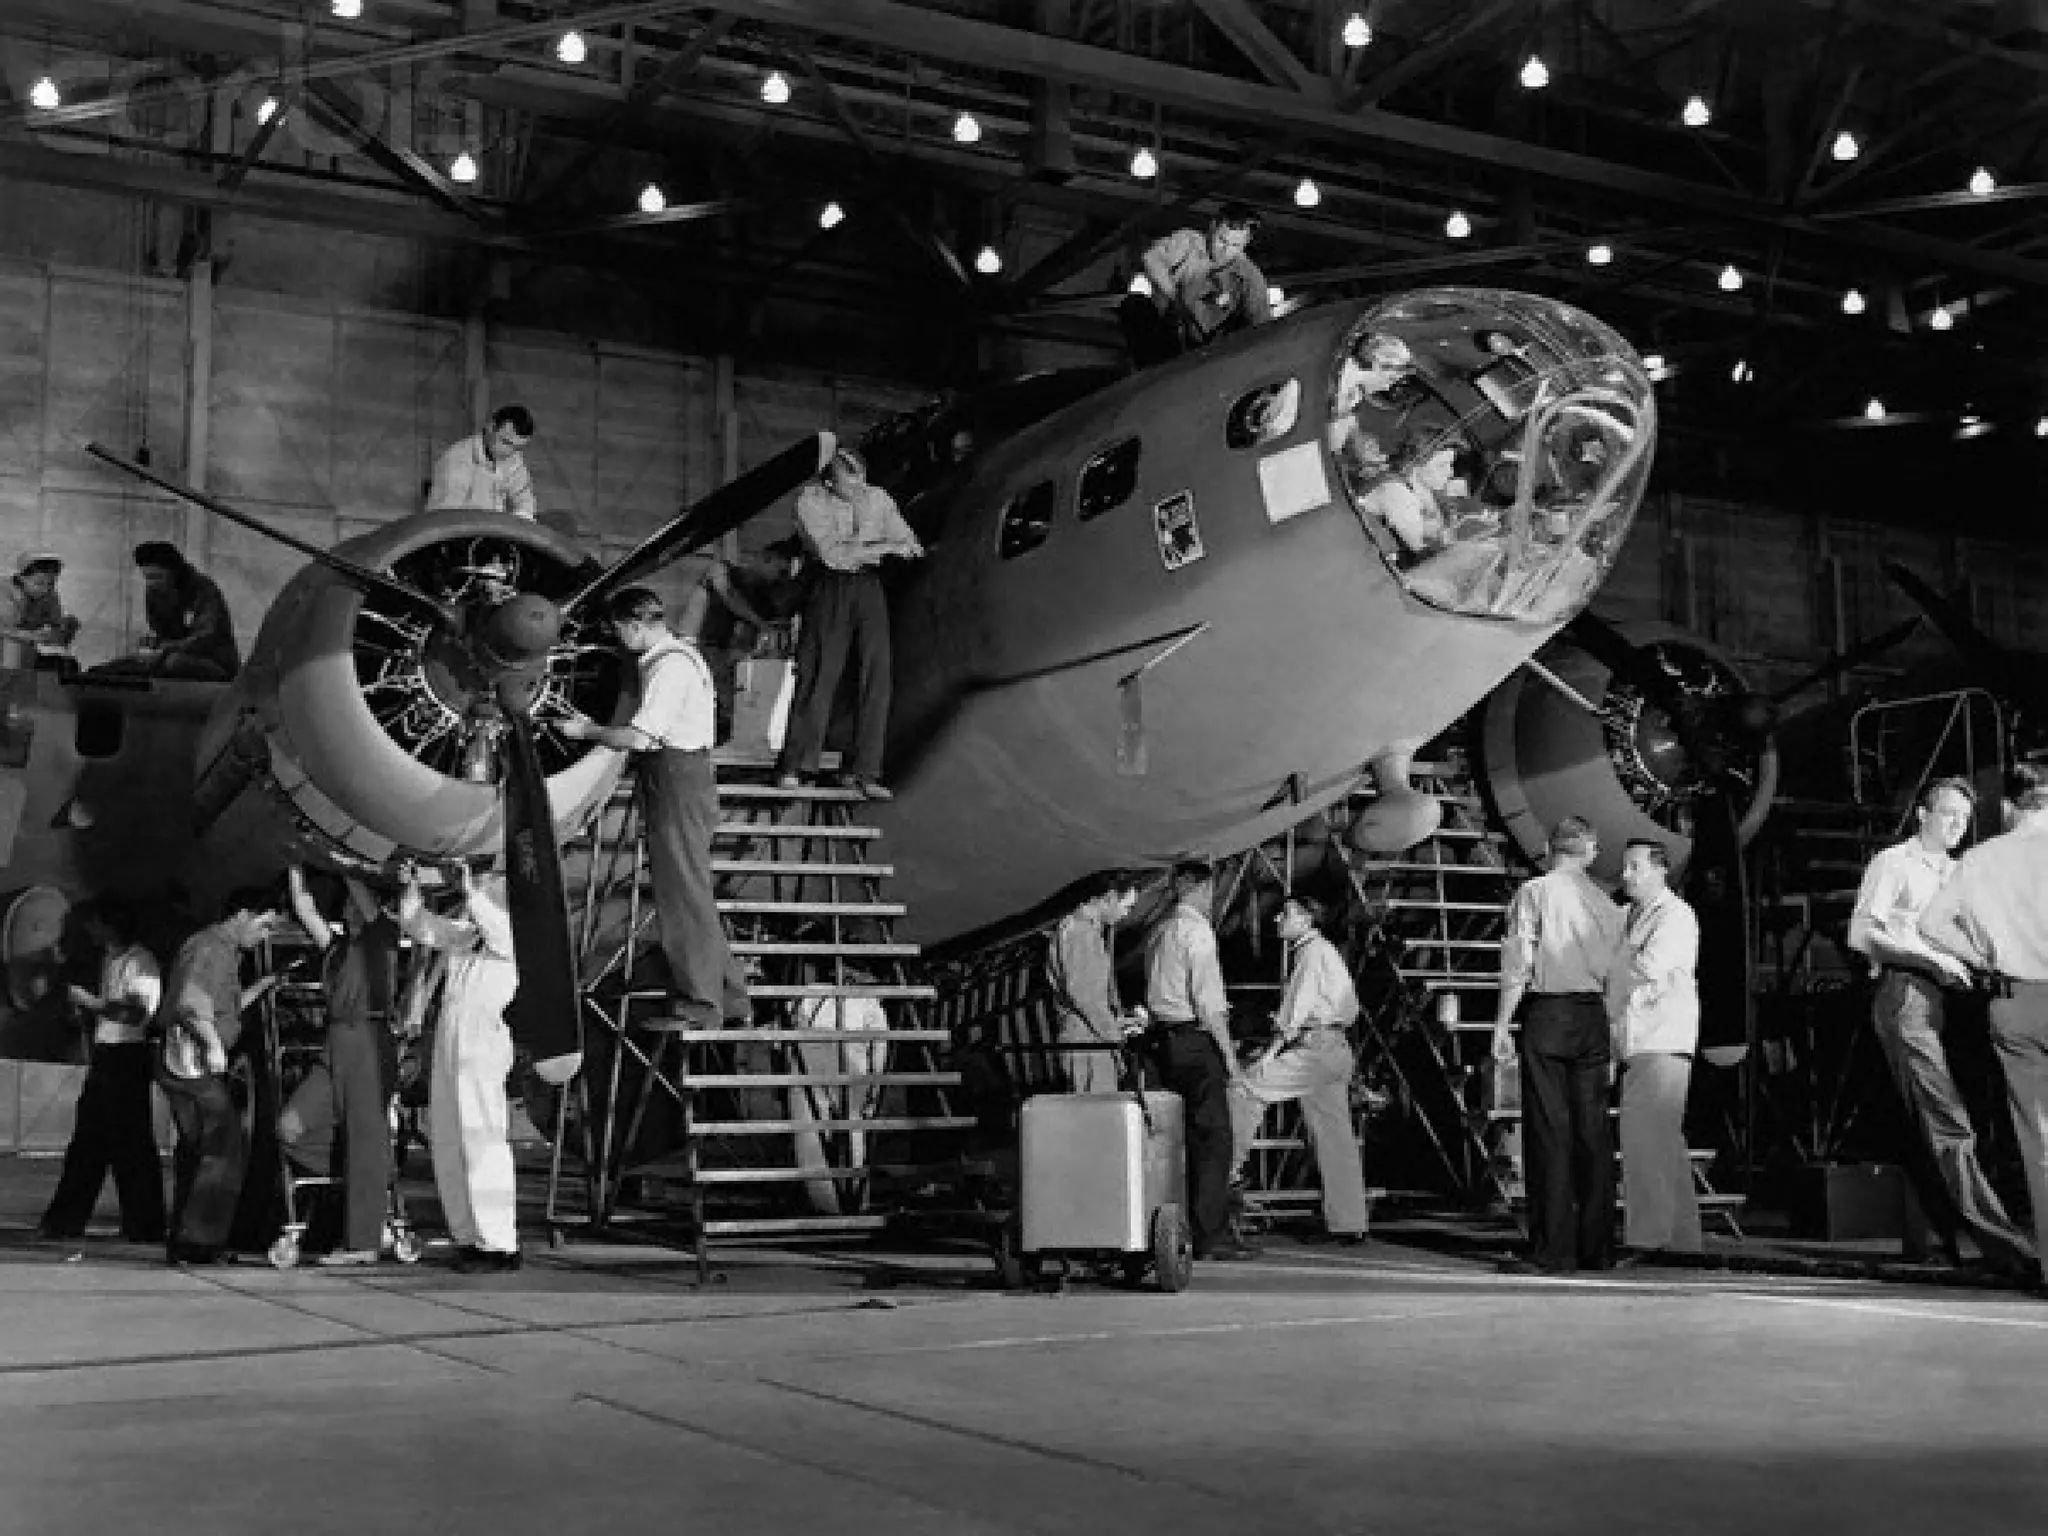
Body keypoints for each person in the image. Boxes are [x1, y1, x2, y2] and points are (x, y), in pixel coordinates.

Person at [1848, 776, 2034, 1277]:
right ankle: (2006, 1248)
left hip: (1956, 1003)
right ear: (1923, 814)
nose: (1957, 825)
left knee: (1933, 1120)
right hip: (1907, 992)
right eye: (1948, 814)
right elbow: (1861, 934)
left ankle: (1934, 1240)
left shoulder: (1957, 872)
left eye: (1965, 818)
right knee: (1947, 1120)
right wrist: (1929, 960)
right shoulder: (1894, 863)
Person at [557, 589, 748, 1030]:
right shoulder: (680, 656)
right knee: (692, 892)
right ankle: (731, 995)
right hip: (680, 779)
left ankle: (702, 1003)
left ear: (634, 625)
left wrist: (584, 731)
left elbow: (640, 737)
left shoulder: (668, 667)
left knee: (681, 898)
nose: (619, 640)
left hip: (676, 782)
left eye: (619, 631)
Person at [1920, 761, 2048, 1281]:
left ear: (2008, 806)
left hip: (2014, 999)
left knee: (2039, 1140)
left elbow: (1931, 924)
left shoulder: (1981, 859)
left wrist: (1981, 958)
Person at [1491, 815, 1625, 1274]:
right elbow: (1620, 977)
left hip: (1549, 1011)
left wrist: (1502, 1023)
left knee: (1549, 1130)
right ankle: (1598, 1248)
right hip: (1593, 1014)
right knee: (1593, 1133)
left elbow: (1518, 962)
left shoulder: (1536, 892)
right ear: (1589, 852)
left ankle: (1553, 1249)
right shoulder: (1606, 903)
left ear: (1551, 850)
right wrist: (1613, 1035)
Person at [774, 448, 924, 800]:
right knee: (819, 675)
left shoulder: (878, 497)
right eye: (850, 484)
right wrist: (885, 547)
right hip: (829, 585)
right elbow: (833, 556)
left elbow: (910, 543)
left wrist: (874, 547)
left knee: (876, 674)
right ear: (829, 483)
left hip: (869, 586)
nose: (860, 489)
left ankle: (865, 771)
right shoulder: (810, 501)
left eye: (862, 480)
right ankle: (795, 765)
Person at [398, 862, 524, 1272]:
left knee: (481, 1139)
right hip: (451, 1044)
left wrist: (470, 890)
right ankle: (467, 1234)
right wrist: (411, 888)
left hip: (482, 1049)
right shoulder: (467, 937)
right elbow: (418, 925)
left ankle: (499, 1241)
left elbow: (494, 926)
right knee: (448, 1137)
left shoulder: (512, 935)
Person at [1228, 895, 1370, 1245]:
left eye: (1286, 914)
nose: (1278, 918)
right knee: (1335, 1139)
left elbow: (1295, 1012)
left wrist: (1269, 1054)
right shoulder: (1323, 951)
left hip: (1317, 1051)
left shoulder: (1310, 953)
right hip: (1333, 1049)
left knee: (1244, 1087)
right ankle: (1349, 1222)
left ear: (1307, 920)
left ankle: (1227, 1179)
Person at [277, 867, 401, 1267]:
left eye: (354, 902)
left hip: (368, 1038)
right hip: (335, 1043)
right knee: (290, 1127)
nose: (348, 907)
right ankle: (362, 1179)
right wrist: (296, 866)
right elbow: (304, 908)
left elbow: (368, 905)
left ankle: (363, 1240)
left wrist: (344, 865)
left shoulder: (382, 937)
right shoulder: (337, 947)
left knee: (365, 1139)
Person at [155, 887, 285, 1265]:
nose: (263, 936)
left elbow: (222, 1005)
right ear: (243, 914)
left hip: (190, 1060)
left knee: (199, 1149)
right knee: (221, 1148)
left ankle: (186, 1237)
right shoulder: (209, 949)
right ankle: (199, 1240)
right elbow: (191, 1003)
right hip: (192, 1063)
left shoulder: (222, 950)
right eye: (264, 926)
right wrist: (213, 1046)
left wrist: (262, 986)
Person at [1139, 860, 1252, 1261]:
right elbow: (1208, 1003)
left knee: (1173, 1140)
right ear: (1203, 890)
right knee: (1212, 1139)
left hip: (1160, 1041)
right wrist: (1231, 1059)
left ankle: (1169, 1226)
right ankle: (1207, 1234)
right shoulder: (1196, 931)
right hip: (1192, 1040)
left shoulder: (1159, 930)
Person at [38, 899, 164, 1244]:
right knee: (89, 1139)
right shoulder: (106, 959)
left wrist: (90, 1003)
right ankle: (66, 1219)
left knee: (131, 1141)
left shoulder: (140, 962)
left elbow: (136, 1014)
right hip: (106, 1053)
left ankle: (144, 1222)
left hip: (128, 1055)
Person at [1609, 840, 1703, 1259]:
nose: (1626, 875)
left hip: (1661, 1037)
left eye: (1635, 867)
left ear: (1660, 870)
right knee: (1662, 1141)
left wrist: (1611, 969)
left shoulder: (1675, 915)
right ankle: (1681, 1239)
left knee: (1643, 1140)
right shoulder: (1628, 915)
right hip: (1639, 1039)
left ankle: (1648, 1237)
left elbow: (1647, 968)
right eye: (1625, 867)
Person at [1118, 204, 1271, 368]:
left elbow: (1261, 325)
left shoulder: (1250, 277)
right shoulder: (1188, 241)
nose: (1225, 251)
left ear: (1246, 243)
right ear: (1212, 227)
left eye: (1235, 246)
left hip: (1210, 350)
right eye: (1222, 240)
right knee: (1134, 304)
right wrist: (1175, 297)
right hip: (1169, 335)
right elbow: (1151, 258)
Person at [693, 537, 806, 740]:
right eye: (780, 572)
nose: (780, 579)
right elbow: (729, 596)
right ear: (766, 559)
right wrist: (759, 623)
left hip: (733, 658)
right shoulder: (722, 571)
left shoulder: (766, 596)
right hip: (702, 650)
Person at [91, 543, 239, 682]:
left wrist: (169, 647)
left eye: (157, 577)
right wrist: (154, 643)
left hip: (214, 663)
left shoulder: (204, 591)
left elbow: (207, 637)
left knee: (174, 663)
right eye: (147, 578)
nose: (151, 583)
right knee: (129, 663)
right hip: (170, 655)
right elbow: (162, 633)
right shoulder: (154, 592)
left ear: (174, 574)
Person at [1048, 874, 1142, 1094]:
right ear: (1109, 898)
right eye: (1126, 907)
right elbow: (1086, 999)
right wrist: (1115, 1038)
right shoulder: (1081, 934)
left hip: (1090, 1034)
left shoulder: (1080, 930)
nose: (1126, 914)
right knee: (1097, 1110)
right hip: (1089, 1041)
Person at [427, 404, 538, 521]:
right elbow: (446, 518)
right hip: (462, 529)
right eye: (506, 442)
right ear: (491, 428)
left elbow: (524, 498)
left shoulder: (512, 457)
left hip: (492, 528)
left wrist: (524, 514)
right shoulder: (457, 461)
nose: (509, 452)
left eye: (517, 448)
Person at [1, 552, 80, 672]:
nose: (45, 589)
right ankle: (11, 680)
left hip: (31, 648)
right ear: (22, 578)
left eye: (51, 584)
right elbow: (4, 629)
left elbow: (56, 622)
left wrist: (61, 630)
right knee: (14, 644)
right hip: (8, 648)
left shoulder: (49, 595)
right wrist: (31, 636)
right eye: (39, 583)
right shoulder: (5, 592)